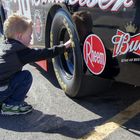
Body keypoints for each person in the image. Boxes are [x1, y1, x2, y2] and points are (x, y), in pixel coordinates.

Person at [0, 14, 71, 115]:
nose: (31, 38)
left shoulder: (6, 45)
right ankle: (11, 105)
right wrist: (64, 46)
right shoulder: (21, 52)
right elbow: (43, 53)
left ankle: (6, 98)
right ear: (19, 36)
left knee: (15, 75)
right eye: (29, 35)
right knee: (25, 76)